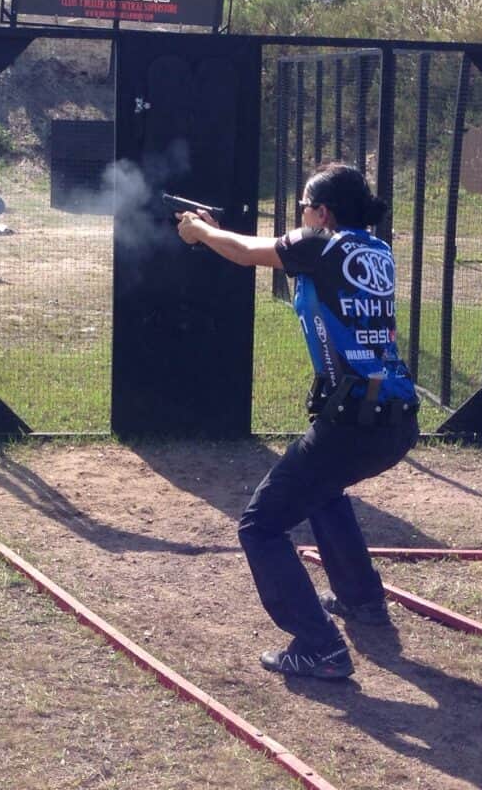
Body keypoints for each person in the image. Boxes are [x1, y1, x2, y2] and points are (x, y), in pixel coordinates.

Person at [176, 162, 419, 680]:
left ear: (323, 212)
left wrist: (198, 233)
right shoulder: (379, 252)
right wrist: (213, 229)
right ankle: (360, 599)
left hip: (355, 423)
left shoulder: (320, 245)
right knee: (323, 491)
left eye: (306, 206)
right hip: (395, 419)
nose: (302, 215)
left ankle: (319, 646)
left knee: (259, 527)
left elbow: (244, 253)